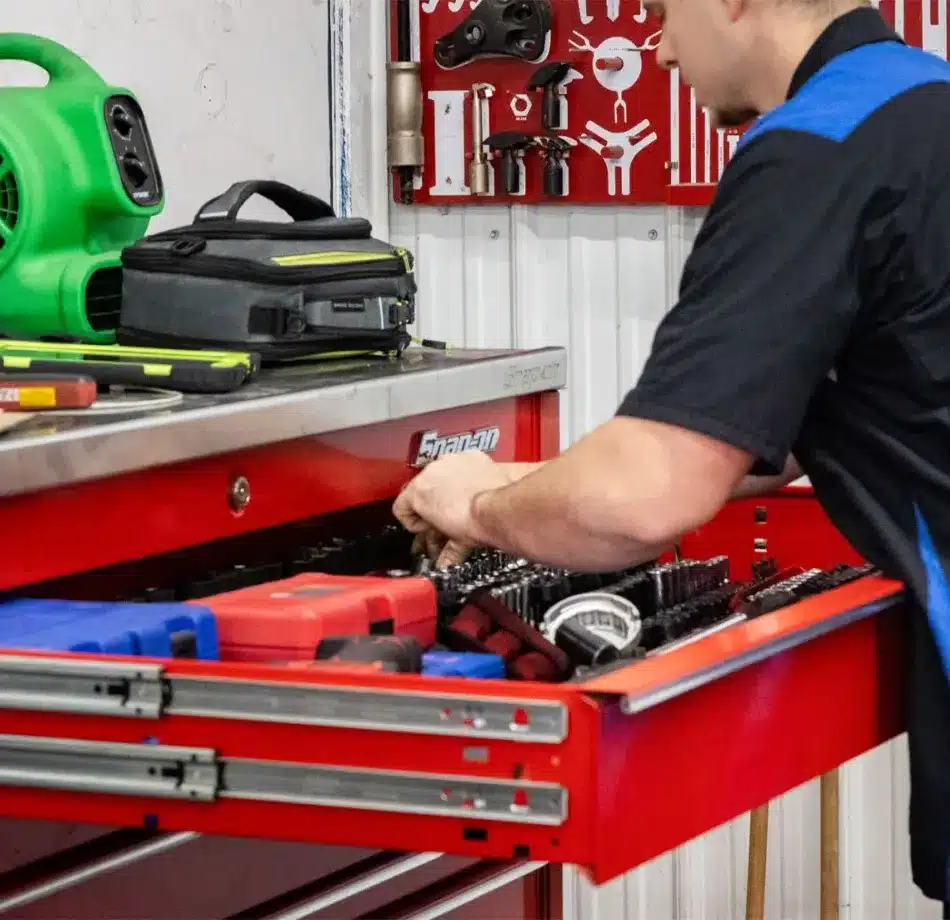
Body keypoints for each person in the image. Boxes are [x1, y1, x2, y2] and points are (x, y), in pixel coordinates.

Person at [393, 0, 950, 908]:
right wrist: (526, 480)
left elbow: (645, 500)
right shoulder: (925, 103)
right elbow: (764, 435)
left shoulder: (816, 147)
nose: (654, 42)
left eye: (661, 10)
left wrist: (478, 510)